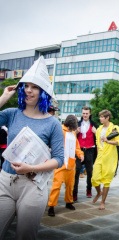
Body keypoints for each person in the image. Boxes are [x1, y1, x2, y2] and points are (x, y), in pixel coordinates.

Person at [0, 56, 64, 240]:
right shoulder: (12, 114)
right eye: (26, 86)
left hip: (33, 185)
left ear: (43, 91)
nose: (28, 90)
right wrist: (4, 97)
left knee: (25, 236)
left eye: (34, 86)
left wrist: (32, 168)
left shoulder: (52, 123)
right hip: (5, 181)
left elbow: (59, 158)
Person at [48, 115, 84, 217]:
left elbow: (77, 146)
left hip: (71, 163)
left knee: (70, 185)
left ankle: (69, 202)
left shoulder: (73, 133)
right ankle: (51, 206)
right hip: (61, 163)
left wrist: (80, 154)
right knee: (56, 186)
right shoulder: (60, 131)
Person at [91, 109, 119, 210]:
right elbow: (97, 140)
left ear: (107, 118)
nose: (100, 118)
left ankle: (103, 202)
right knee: (94, 179)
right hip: (100, 155)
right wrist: (100, 147)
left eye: (102, 117)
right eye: (100, 117)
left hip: (110, 157)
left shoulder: (114, 127)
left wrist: (108, 141)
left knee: (106, 180)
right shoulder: (99, 129)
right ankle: (99, 192)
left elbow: (118, 142)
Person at [73, 106, 97, 201]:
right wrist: (76, 132)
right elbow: (71, 135)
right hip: (79, 150)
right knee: (77, 171)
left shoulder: (94, 124)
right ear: (81, 113)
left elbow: (100, 137)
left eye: (87, 113)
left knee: (90, 172)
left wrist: (96, 133)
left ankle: (89, 190)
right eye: (83, 113)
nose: (85, 115)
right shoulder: (77, 124)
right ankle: (74, 193)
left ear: (90, 114)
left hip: (90, 150)